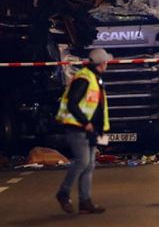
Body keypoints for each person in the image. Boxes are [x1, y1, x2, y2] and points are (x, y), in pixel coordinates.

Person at [55, 48, 112, 215]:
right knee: (82, 161)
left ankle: (85, 201)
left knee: (89, 165)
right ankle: (63, 193)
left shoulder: (94, 78)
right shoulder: (85, 78)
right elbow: (72, 103)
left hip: (91, 129)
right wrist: (85, 122)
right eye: (106, 61)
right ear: (102, 63)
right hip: (78, 127)